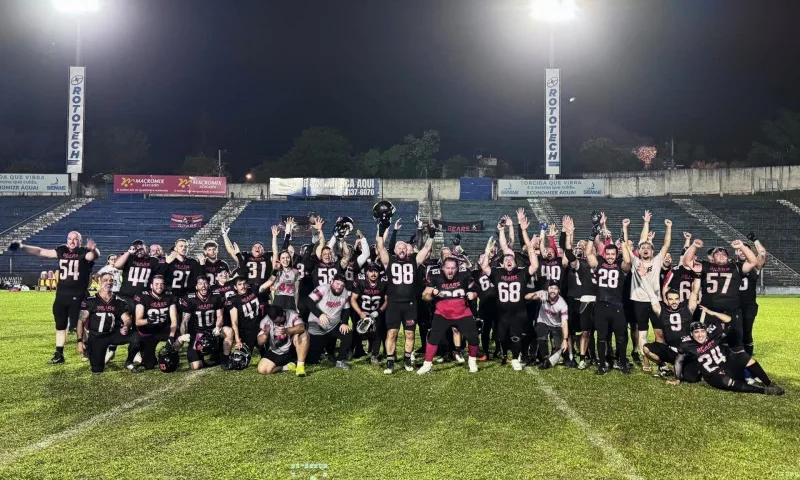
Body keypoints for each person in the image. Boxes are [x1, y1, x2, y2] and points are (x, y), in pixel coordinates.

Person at [10, 231, 98, 364]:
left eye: (75, 239)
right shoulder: (62, 250)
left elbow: (92, 256)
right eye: (69, 238)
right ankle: (59, 354)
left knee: (77, 324)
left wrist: (93, 249)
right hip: (61, 295)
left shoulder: (84, 252)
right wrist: (22, 246)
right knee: (60, 325)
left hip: (77, 295)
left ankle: (86, 347)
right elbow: (41, 252)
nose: (72, 241)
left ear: (80, 241)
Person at [376, 219, 434, 374]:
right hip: (394, 304)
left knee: (410, 333)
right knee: (392, 333)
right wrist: (381, 230)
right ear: (395, 250)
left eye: (403, 248)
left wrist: (431, 235)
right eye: (399, 248)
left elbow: (426, 248)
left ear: (407, 250)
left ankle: (407, 359)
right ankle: (390, 362)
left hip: (410, 304)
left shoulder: (414, 261)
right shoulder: (389, 261)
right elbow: (380, 247)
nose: (401, 250)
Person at [682, 238, 759, 352]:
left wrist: (742, 246)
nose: (721, 255)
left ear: (728, 257)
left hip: (732, 310)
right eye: (718, 254)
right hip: (708, 311)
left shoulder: (736, 266)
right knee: (706, 342)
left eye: (724, 254)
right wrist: (693, 246)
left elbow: (753, 262)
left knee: (736, 342)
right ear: (712, 258)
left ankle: (739, 360)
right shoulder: (705, 265)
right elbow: (686, 261)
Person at [480, 231, 538, 371]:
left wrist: (530, 248)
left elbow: (535, 266)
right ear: (502, 263)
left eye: (511, 259)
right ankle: (505, 354)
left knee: (516, 336)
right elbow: (484, 267)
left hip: (518, 312)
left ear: (515, 262)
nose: (509, 261)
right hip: (501, 313)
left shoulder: (521, 273)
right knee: (502, 337)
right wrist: (487, 252)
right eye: (506, 260)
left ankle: (515, 358)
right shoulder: (497, 273)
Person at [678, 322, 784, 395]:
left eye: (702, 331)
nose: (700, 335)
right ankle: (763, 391)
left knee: (743, 356)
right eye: (696, 332)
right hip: (713, 374)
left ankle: (769, 383)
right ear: (691, 334)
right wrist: (677, 378)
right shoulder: (687, 345)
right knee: (727, 381)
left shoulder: (713, 334)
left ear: (706, 331)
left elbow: (730, 323)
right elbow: (678, 360)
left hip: (727, 365)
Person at [625, 213, 672, 371]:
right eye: (642, 248)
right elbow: (626, 245)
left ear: (652, 251)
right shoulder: (636, 262)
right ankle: (646, 361)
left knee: (660, 334)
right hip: (639, 302)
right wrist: (625, 228)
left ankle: (661, 361)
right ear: (639, 251)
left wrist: (668, 227)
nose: (645, 250)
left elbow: (666, 245)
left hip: (655, 302)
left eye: (648, 248)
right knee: (643, 334)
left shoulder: (657, 261)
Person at [418, 257, 480, 374]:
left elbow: (477, 289)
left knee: (473, 338)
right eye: (447, 268)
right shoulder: (435, 275)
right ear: (442, 268)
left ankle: (472, 361)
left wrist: (474, 294)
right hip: (442, 313)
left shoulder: (464, 274)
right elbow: (424, 296)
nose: (450, 271)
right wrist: (432, 293)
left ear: (457, 268)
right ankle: (427, 364)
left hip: (462, 312)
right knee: (433, 338)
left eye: (453, 268)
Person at [642, 263, 702, 382]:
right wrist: (643, 277)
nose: (674, 302)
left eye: (676, 299)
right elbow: (651, 295)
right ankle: (663, 365)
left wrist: (698, 275)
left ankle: (685, 367)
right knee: (646, 349)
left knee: (692, 378)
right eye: (670, 299)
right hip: (670, 349)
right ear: (667, 300)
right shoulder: (661, 310)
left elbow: (695, 292)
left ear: (679, 299)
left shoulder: (688, 308)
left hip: (686, 351)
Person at [587, 218, 632, 375]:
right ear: (604, 254)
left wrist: (624, 240)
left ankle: (622, 363)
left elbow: (628, 260)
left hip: (617, 306)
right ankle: (601, 364)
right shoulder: (599, 262)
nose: (611, 256)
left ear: (616, 254)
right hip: (600, 305)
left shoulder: (621, 265)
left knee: (620, 337)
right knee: (601, 337)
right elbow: (588, 253)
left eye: (613, 254)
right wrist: (591, 237)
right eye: (608, 254)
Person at [77, 272, 134, 373]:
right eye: (105, 280)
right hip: (97, 336)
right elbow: (81, 321)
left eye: (111, 280)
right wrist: (80, 341)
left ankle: (129, 360)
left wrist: (126, 326)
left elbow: (127, 319)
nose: (108, 282)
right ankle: (92, 351)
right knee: (97, 369)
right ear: (99, 282)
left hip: (113, 334)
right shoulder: (90, 301)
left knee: (137, 337)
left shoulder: (119, 301)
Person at [128, 275, 179, 371]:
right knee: (149, 365)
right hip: (149, 332)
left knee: (179, 337)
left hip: (163, 329)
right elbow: (138, 322)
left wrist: (171, 337)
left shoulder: (169, 296)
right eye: (156, 284)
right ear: (151, 285)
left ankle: (171, 356)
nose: (159, 286)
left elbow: (174, 320)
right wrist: (148, 320)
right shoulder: (143, 296)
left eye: (161, 284)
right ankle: (136, 358)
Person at [305, 274, 353, 370]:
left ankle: (340, 361)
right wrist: (320, 315)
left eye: (342, 285)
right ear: (332, 282)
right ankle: (323, 353)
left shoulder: (345, 293)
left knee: (347, 333)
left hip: (333, 325)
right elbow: (309, 301)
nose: (339, 287)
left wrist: (344, 323)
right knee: (312, 359)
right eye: (337, 284)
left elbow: (346, 309)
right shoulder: (323, 289)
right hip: (318, 326)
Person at [180, 277, 225, 370]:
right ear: (196, 286)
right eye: (200, 283)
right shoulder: (190, 298)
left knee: (229, 331)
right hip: (197, 334)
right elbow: (185, 320)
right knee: (195, 366)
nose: (203, 286)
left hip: (212, 332)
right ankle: (202, 357)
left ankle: (225, 357)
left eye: (205, 283)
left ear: (209, 285)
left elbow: (220, 316)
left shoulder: (216, 295)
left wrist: (217, 327)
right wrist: (184, 334)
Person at [350, 262, 388, 364]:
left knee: (377, 333)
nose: (373, 274)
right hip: (362, 311)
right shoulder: (360, 281)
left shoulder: (383, 282)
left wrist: (379, 311)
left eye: (376, 271)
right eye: (371, 271)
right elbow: (353, 299)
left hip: (376, 312)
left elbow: (386, 300)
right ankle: (352, 350)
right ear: (367, 272)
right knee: (357, 331)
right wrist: (360, 312)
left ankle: (374, 355)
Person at [257, 305, 310, 376]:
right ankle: (287, 367)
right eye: (274, 322)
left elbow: (302, 327)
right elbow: (260, 342)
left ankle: (300, 367)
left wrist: (288, 330)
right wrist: (265, 334)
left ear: (282, 315)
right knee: (262, 370)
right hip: (276, 350)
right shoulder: (266, 321)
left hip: (292, 349)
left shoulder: (291, 314)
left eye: (278, 322)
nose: (277, 324)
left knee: (304, 334)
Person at [529, 280, 570, 370]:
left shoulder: (562, 304)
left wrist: (565, 339)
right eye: (551, 288)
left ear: (559, 290)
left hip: (556, 325)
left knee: (561, 347)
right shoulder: (543, 294)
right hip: (543, 321)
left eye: (555, 288)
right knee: (541, 336)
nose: (553, 290)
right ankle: (545, 359)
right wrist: (534, 294)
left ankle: (567, 358)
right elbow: (527, 297)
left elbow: (564, 323)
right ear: (547, 289)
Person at [738, 235, 767, 355]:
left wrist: (755, 240)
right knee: (733, 330)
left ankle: (748, 355)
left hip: (748, 305)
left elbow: (762, 253)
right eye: (740, 250)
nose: (742, 252)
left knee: (747, 331)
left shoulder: (754, 267)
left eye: (745, 250)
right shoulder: (732, 265)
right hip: (733, 304)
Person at [227, 276, 265, 368]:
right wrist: (237, 340)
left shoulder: (253, 290)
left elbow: (269, 282)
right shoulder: (233, 300)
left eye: (244, 284)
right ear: (235, 287)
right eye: (239, 284)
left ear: (247, 284)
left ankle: (265, 350)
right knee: (239, 362)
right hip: (246, 333)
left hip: (259, 329)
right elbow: (234, 322)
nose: (242, 286)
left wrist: (275, 271)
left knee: (268, 356)